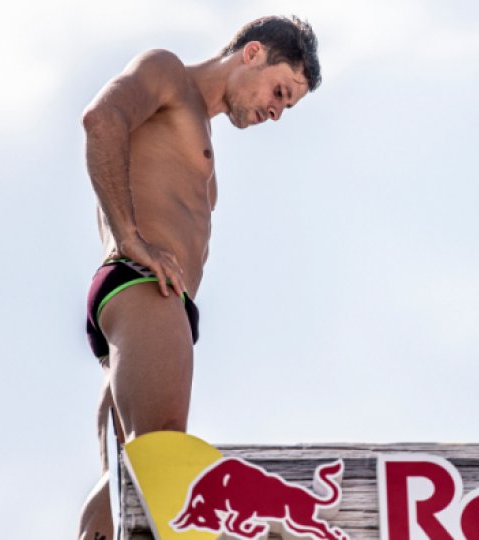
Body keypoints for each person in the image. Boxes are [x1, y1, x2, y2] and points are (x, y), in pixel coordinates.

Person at [76, 15, 321, 540]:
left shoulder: (199, 135)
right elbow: (102, 118)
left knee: (126, 487)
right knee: (163, 451)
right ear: (251, 53)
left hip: (146, 309)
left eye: (287, 106)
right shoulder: (167, 73)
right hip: (144, 286)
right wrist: (129, 237)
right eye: (280, 91)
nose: (276, 111)